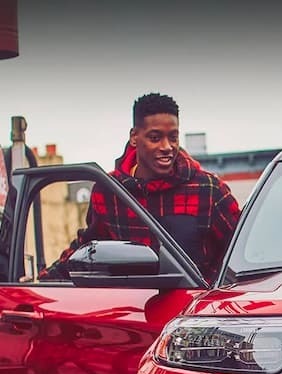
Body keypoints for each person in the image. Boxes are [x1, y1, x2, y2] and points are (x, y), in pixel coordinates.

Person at [38, 93, 241, 282]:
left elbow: (243, 247)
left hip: (193, 312)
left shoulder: (209, 189)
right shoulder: (110, 191)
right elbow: (87, 249)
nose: (167, 147)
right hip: (132, 312)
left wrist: (217, 292)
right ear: (134, 137)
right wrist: (41, 282)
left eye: (173, 137)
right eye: (155, 138)